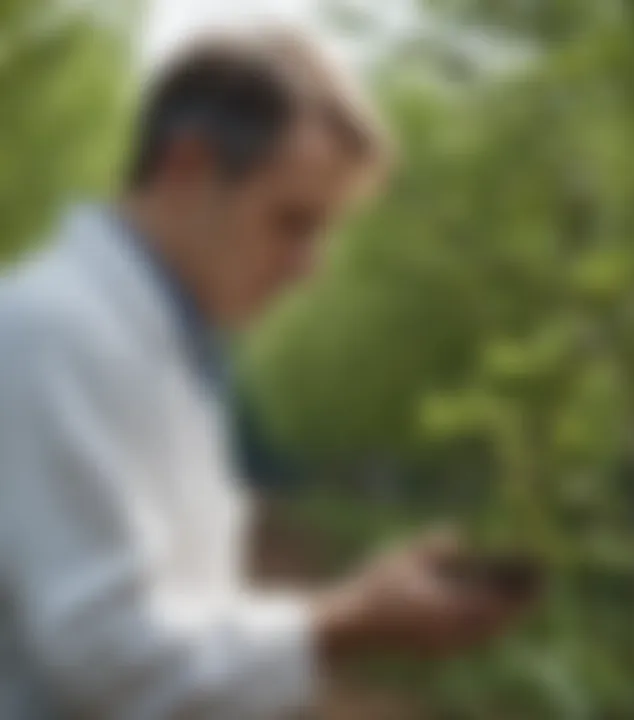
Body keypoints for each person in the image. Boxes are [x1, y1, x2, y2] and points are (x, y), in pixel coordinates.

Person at [0, 29, 531, 720]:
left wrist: (349, 610)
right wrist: (345, 619)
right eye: (292, 222)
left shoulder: (159, 347)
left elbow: (170, 617)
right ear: (186, 167)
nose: (308, 267)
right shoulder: (53, 332)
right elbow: (103, 657)